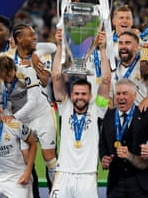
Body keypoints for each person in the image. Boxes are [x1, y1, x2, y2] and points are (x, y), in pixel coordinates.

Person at [50, 29, 110, 197]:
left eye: (84, 94)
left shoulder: (97, 109)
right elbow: (55, 76)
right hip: (63, 173)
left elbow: (106, 80)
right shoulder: (65, 107)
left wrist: (103, 49)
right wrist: (60, 45)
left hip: (88, 175)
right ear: (71, 95)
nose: (80, 97)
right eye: (76, 94)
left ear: (90, 95)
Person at [0, 55, 57, 194]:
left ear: (13, 68)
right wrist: (6, 115)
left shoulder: (27, 72)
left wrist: (12, 117)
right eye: (3, 77)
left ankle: (57, 193)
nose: (8, 78)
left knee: (49, 158)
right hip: (23, 121)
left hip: (42, 114)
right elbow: (2, 105)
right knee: (26, 162)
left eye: (9, 74)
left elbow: (33, 102)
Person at [99, 78, 148, 197]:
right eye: (118, 94)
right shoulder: (109, 115)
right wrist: (104, 158)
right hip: (116, 182)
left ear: (134, 96)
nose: (121, 97)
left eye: (125, 93)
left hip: (142, 182)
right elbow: (103, 143)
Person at [112, 30, 148, 111]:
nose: (123, 46)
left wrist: (147, 100)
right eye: (121, 43)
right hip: (118, 116)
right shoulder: (113, 67)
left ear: (137, 47)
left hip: (139, 114)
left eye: (127, 43)